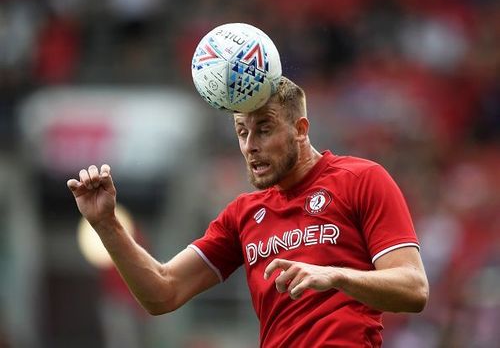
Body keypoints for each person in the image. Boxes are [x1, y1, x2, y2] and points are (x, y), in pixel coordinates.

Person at [67, 76, 429, 347]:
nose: (250, 146)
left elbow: (413, 288)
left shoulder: (361, 179)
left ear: (301, 130)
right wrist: (106, 224)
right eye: (242, 132)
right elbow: (163, 292)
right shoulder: (243, 214)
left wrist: (336, 276)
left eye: (264, 129)